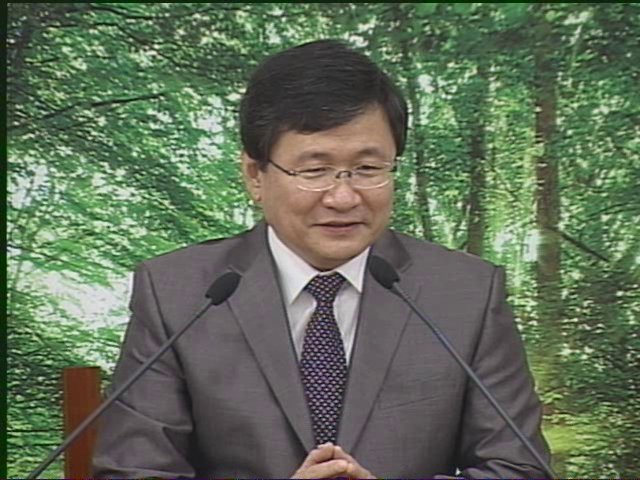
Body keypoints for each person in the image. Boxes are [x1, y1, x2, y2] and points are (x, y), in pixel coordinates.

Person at [92, 39, 551, 478]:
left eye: (368, 169)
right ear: (255, 175)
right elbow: (135, 471)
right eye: (315, 171)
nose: (343, 197)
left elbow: (520, 467)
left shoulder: (466, 293)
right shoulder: (178, 294)